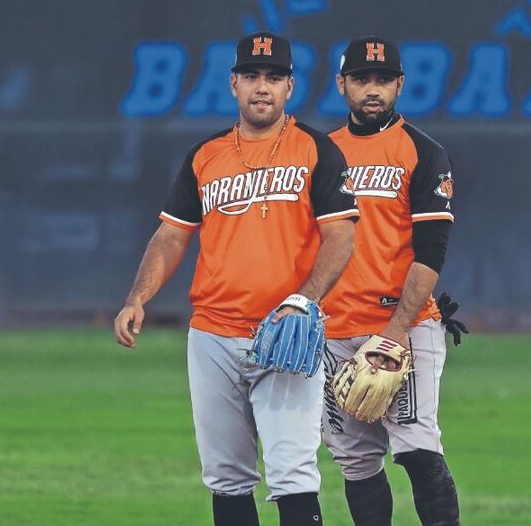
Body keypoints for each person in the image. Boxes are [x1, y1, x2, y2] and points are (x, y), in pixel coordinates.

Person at [113, 31, 358, 526]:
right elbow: (171, 236)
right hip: (212, 336)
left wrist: (304, 300)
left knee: (292, 473)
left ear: (290, 86)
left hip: (286, 333)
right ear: (233, 84)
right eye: (251, 76)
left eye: (273, 77)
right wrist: (137, 297)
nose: (261, 87)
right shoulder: (206, 156)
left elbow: (341, 237)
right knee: (226, 477)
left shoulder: (317, 150)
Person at [322, 35, 463, 525]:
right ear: (342, 84)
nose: (372, 88)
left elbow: (431, 252)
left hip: (403, 326)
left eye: (383, 79)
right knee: (356, 462)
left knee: (418, 448)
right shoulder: (322, 153)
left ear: (400, 84)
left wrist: (396, 331)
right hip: (335, 331)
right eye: (362, 78)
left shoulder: (423, 153)